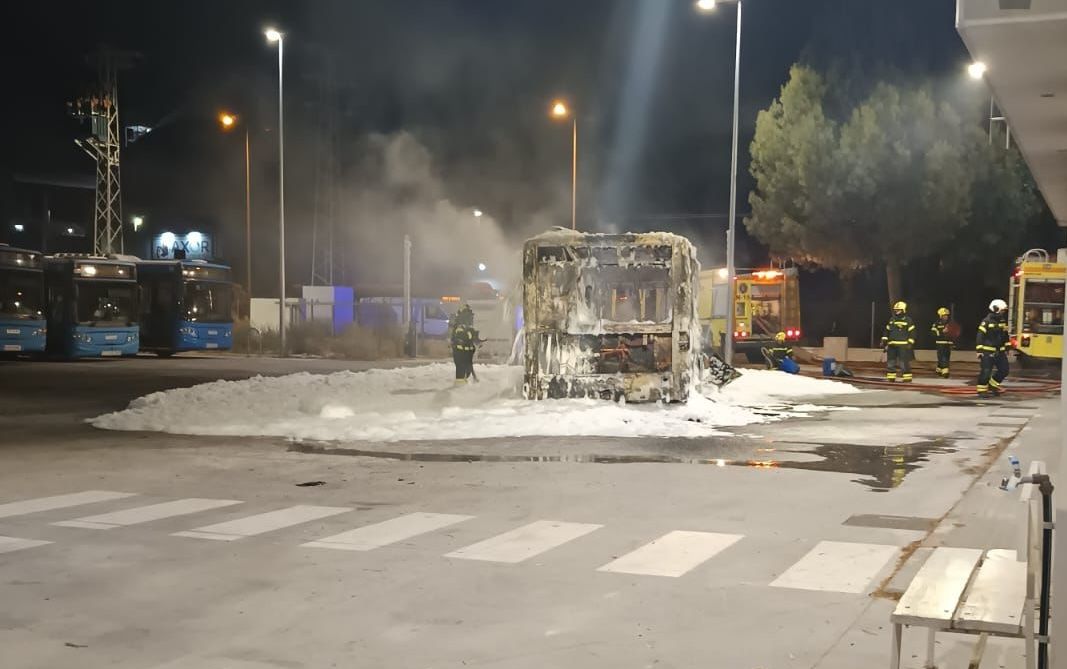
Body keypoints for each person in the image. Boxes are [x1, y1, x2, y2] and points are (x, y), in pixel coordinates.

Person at [976, 298, 1010, 398]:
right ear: (996, 309)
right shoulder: (986, 321)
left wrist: (1007, 347)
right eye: (1002, 310)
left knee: (1004, 370)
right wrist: (979, 350)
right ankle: (982, 391)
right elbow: (980, 336)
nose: (1003, 312)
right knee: (986, 371)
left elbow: (1005, 335)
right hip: (987, 351)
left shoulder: (1002, 321)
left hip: (1000, 351)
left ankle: (992, 385)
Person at [880, 301, 916, 382]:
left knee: (903, 362)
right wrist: (884, 340)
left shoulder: (908, 320)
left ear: (903, 310)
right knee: (891, 362)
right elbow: (886, 331)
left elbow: (912, 333)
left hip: (903, 345)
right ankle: (891, 377)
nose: (896, 311)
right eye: (895, 310)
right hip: (892, 345)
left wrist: (910, 342)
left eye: (898, 310)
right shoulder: (892, 319)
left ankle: (907, 377)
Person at [450, 304, 480, 384]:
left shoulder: (469, 328)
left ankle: (463, 386)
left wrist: (476, 340)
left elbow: (472, 338)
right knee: (461, 374)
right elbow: (462, 337)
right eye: (468, 315)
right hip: (460, 353)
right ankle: (459, 388)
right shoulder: (459, 328)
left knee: (467, 372)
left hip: (467, 353)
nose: (470, 318)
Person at [930, 307, 953, 378]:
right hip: (940, 343)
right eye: (944, 315)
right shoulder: (936, 323)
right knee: (942, 357)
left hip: (948, 343)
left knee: (946, 357)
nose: (946, 317)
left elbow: (953, 333)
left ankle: (939, 369)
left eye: (947, 315)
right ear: (940, 316)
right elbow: (933, 333)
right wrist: (942, 332)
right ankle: (945, 372)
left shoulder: (950, 323)